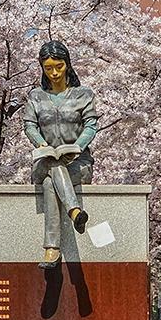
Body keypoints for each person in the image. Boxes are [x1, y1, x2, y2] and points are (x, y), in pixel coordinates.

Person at [22, 40, 100, 269]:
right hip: (45, 159)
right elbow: (29, 127)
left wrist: (77, 146)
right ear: (42, 68)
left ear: (67, 64)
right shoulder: (35, 96)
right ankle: (74, 211)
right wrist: (42, 143)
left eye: (59, 66)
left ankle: (51, 250)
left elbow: (91, 126)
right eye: (48, 68)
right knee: (53, 166)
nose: (54, 73)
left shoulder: (83, 94)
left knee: (50, 182)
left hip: (78, 163)